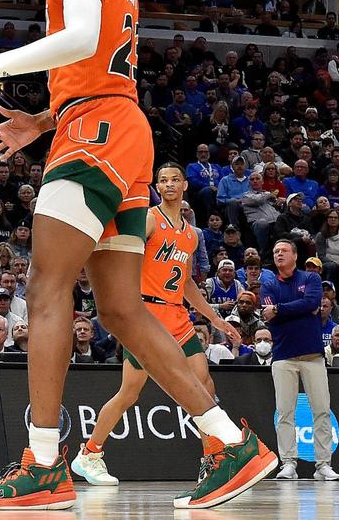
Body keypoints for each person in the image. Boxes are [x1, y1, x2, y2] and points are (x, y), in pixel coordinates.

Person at [0, 0, 274, 510]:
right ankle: (230, 441)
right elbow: (98, 59)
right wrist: (44, 117)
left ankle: (44, 460)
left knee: (45, 284)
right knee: (119, 308)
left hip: (99, 134)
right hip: (112, 126)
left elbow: (82, 36)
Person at [72, 164, 245, 485]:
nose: (168, 184)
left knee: (204, 385)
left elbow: (189, 285)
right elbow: (121, 252)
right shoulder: (150, 219)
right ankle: (89, 454)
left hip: (178, 316)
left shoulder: (192, 235)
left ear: (183, 187)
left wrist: (214, 317)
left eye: (174, 180)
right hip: (147, 317)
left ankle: (212, 461)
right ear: (158, 187)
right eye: (163, 180)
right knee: (129, 393)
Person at [261, 238, 339, 481]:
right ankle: (288, 463)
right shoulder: (268, 284)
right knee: (285, 412)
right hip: (283, 357)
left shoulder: (311, 278)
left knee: (321, 411)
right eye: (275, 251)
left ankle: (323, 465)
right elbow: (269, 315)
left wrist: (281, 309)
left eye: (284, 250)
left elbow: (310, 302)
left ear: (295, 256)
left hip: (313, 356)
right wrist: (299, 310)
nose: (279, 254)